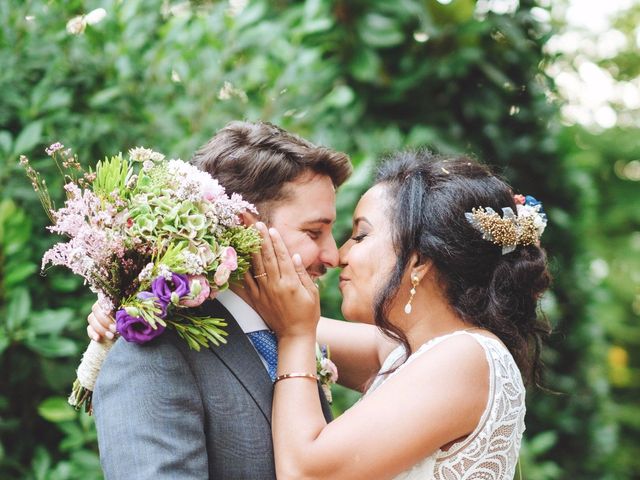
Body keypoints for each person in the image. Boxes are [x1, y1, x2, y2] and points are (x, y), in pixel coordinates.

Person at [243, 150, 551, 479]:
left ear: (418, 261)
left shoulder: (467, 357)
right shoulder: (408, 353)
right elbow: (285, 315)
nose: (341, 254)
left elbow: (305, 473)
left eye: (361, 235)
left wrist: (296, 337)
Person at [88, 121, 352, 479]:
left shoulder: (292, 333)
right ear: (247, 227)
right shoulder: (154, 357)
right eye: (314, 232)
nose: (332, 256)